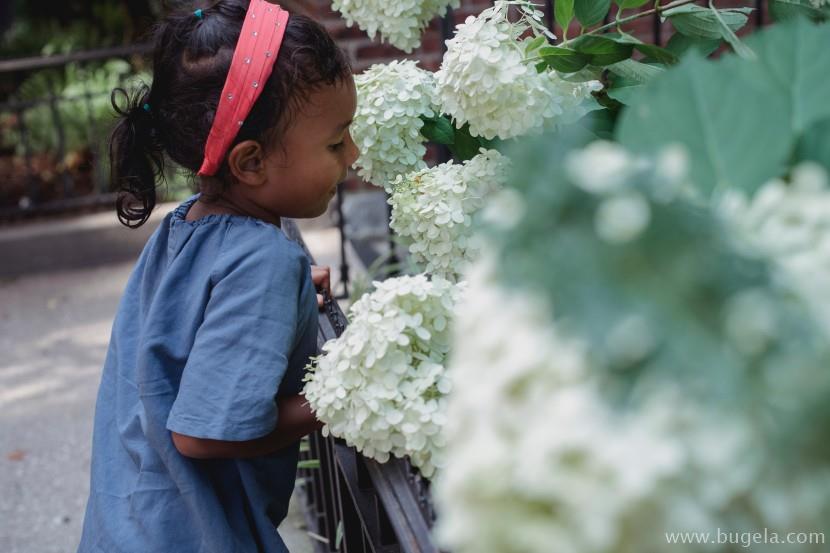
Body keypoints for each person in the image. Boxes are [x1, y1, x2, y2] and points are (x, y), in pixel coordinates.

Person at [77, 1, 359, 551]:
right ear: (250, 163)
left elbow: (194, 323)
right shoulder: (262, 260)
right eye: (334, 142)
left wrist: (293, 295)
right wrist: (345, 394)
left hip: (128, 526)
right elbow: (203, 432)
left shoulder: (184, 226)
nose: (352, 154)